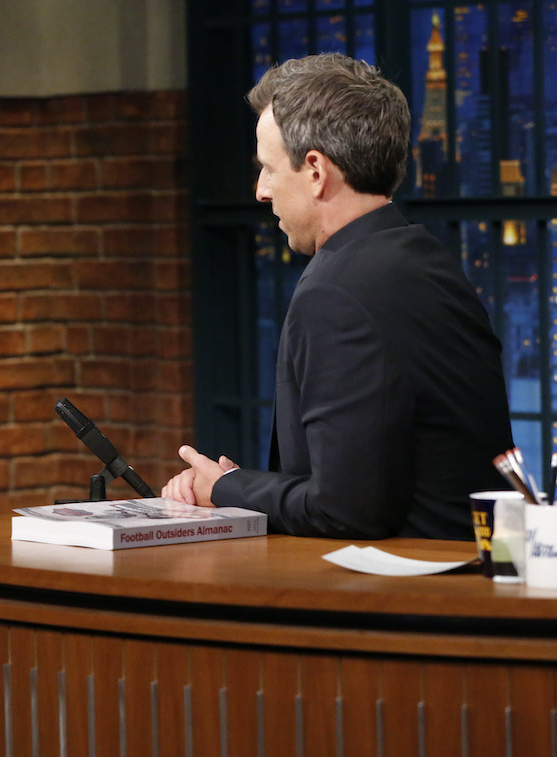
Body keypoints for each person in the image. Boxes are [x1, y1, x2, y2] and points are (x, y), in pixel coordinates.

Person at [163, 53, 512, 539]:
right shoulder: (423, 260)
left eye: (268, 168)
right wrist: (238, 485)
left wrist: (227, 488)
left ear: (315, 171)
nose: (261, 190)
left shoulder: (338, 292)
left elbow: (348, 510)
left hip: (398, 600)